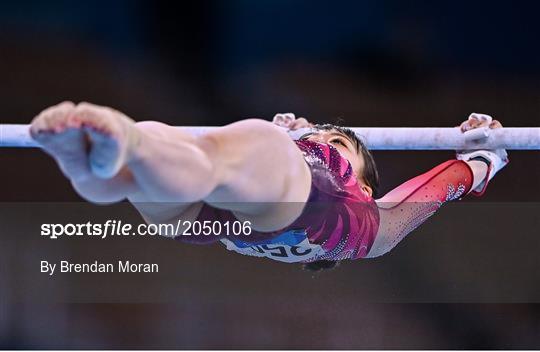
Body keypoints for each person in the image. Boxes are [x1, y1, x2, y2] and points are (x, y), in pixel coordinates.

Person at [29, 102, 508, 270]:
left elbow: (433, 186)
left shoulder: (357, 207)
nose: (320, 139)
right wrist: (485, 156)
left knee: (215, 152)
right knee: (146, 175)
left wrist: (484, 158)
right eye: (318, 137)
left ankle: (121, 146)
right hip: (237, 220)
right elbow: (450, 183)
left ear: (363, 184)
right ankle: (100, 165)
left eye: (335, 140)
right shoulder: (368, 238)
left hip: (287, 203)